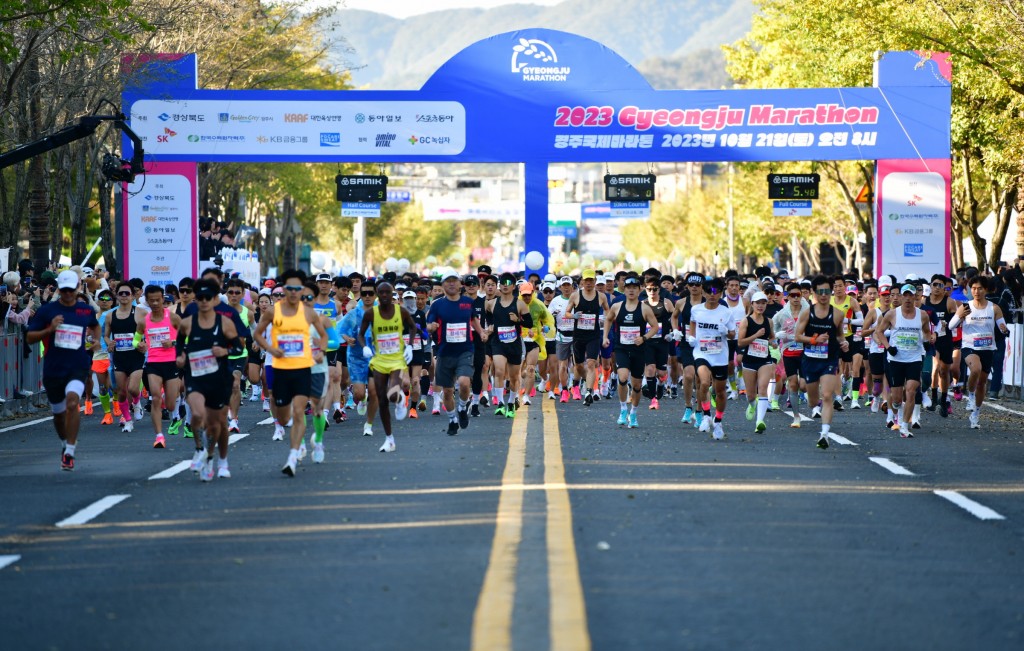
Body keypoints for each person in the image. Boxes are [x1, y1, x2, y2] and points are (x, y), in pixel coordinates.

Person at [252, 270, 328, 476]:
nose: (294, 293)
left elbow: (323, 336)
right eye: (290, 289)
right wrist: (270, 348)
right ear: (284, 289)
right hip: (281, 369)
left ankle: (293, 456)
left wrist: (320, 351)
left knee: (299, 411)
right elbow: (258, 334)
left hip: (303, 369)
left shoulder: (309, 313)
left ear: (302, 290)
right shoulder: (273, 311)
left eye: (297, 289)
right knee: (285, 418)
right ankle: (292, 440)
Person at [26, 270, 100, 471]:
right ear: (60, 288)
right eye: (64, 290)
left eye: (71, 290)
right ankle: (63, 442)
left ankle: (70, 450)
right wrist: (50, 329)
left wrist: (96, 340)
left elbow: (95, 326)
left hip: (78, 365)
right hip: (53, 369)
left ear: (77, 288)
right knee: (58, 415)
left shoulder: (85, 311)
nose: (68, 294)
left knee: (73, 402)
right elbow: (30, 337)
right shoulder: (48, 311)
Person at [175, 279, 242, 480]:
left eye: (208, 298)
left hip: (218, 379)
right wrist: (180, 356)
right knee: (197, 414)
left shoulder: (225, 322)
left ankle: (218, 460)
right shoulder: (187, 322)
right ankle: (198, 449)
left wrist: (224, 350)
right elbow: (179, 342)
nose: (203, 301)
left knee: (217, 424)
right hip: (195, 377)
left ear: (214, 300)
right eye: (200, 298)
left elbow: (238, 347)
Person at [425, 271, 487, 436]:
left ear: (460, 284)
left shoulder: (467, 302)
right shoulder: (437, 305)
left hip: (465, 350)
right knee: (447, 391)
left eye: (454, 281)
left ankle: (462, 407)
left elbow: (473, 319)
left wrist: (481, 332)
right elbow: (429, 322)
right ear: (443, 285)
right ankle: (452, 419)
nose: (451, 284)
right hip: (445, 352)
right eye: (447, 281)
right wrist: (431, 327)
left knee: (465, 382)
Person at [358, 281, 416, 453]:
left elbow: (413, 327)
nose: (384, 295)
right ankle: (389, 439)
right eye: (381, 293)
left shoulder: (401, 311)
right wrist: (365, 347)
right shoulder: (371, 314)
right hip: (379, 360)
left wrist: (410, 346)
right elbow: (360, 335)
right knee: (381, 400)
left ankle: (399, 402)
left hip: (397, 359)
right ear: (377, 294)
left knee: (391, 395)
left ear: (392, 295)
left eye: (387, 293)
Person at [795, 275, 849, 449]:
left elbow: (839, 334)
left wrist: (843, 342)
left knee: (827, 395)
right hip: (810, 359)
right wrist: (814, 340)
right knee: (812, 401)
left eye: (827, 291)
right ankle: (813, 404)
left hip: (829, 359)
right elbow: (797, 336)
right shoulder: (807, 313)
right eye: (820, 292)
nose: (824, 295)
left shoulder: (838, 314)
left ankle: (824, 434)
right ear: (814, 293)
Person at [948, 275, 1010, 429]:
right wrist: (960, 317)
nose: (976, 291)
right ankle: (970, 396)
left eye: (979, 288)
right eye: (973, 288)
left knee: (982, 383)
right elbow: (951, 326)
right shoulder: (966, 306)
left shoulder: (994, 308)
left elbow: (1003, 327)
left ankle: (975, 413)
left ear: (986, 289)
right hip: (970, 346)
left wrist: (1004, 330)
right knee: (975, 369)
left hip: (988, 347)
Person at [873, 284, 933, 438]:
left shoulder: (923, 315)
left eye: (910, 295)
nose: (907, 298)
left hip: (914, 358)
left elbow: (927, 332)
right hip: (895, 359)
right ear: (900, 297)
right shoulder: (892, 314)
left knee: (911, 390)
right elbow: (879, 331)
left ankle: (905, 425)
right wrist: (888, 347)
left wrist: (927, 341)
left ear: (915, 297)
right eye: (904, 295)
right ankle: (897, 412)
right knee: (897, 398)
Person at [682, 277, 737, 441]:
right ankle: (706, 415)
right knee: (704, 383)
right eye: (709, 292)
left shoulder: (726, 312)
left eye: (716, 292)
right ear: (704, 293)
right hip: (702, 353)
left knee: (719, 391)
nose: (713, 295)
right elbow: (693, 322)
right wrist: (692, 337)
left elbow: (733, 334)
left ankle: (718, 421)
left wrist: (725, 331)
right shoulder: (697, 309)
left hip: (719, 355)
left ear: (721, 293)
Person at [604, 276, 660, 428]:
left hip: (638, 350)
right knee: (622, 378)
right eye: (628, 288)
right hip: (621, 348)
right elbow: (608, 319)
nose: (631, 290)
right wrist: (605, 337)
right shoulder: (617, 306)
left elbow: (655, 327)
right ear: (624, 289)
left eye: (634, 288)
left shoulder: (644, 308)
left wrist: (644, 337)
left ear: (639, 289)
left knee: (636, 385)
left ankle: (633, 413)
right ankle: (623, 409)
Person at [136, 284, 184, 449]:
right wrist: (139, 345)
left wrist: (173, 342)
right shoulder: (144, 321)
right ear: (147, 302)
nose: (155, 303)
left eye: (158, 300)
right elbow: (136, 339)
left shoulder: (173, 318)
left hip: (171, 363)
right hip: (154, 363)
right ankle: (159, 436)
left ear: (163, 299)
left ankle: (176, 412)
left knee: (170, 405)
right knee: (156, 398)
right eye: (152, 301)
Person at [485, 273, 532, 418]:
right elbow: (487, 316)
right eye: (502, 283)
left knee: (513, 377)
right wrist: (491, 326)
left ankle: (511, 402)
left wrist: (517, 320)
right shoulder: (491, 303)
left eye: (508, 283)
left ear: (513, 286)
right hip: (498, 342)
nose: (505, 285)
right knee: (498, 371)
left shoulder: (519, 304)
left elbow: (529, 323)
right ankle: (500, 403)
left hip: (514, 344)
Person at [565, 268, 610, 406]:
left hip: (593, 335)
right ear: (582, 282)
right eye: (586, 281)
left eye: (591, 280)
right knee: (578, 366)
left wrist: (605, 319)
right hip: (579, 335)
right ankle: (586, 380)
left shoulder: (601, 296)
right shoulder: (575, 295)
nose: (589, 283)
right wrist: (573, 315)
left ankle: (589, 392)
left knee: (591, 363)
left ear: (595, 282)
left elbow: (608, 311)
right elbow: (566, 312)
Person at [738, 291, 776, 433]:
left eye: (763, 303)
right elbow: (740, 342)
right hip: (749, 360)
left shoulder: (769, 321)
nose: (760, 306)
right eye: (758, 303)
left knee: (763, 389)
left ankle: (759, 421)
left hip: (764, 360)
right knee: (751, 395)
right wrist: (755, 336)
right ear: (752, 304)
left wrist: (773, 343)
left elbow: (771, 337)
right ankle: (752, 405)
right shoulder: (746, 321)